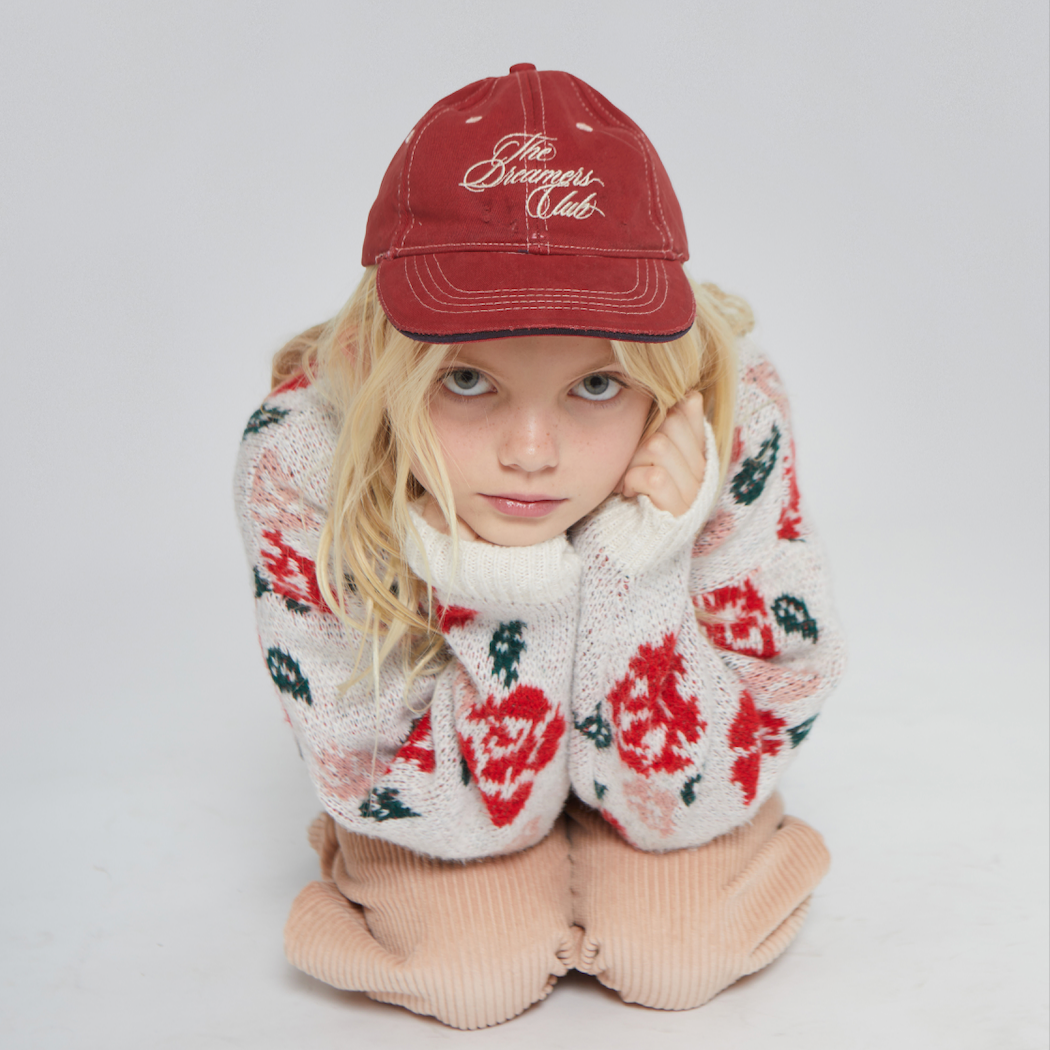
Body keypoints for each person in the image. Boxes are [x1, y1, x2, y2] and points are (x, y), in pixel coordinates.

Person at [234, 63, 846, 1030]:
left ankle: (625, 873)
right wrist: (511, 588)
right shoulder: (306, 454)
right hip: (442, 792)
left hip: (670, 769)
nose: (531, 454)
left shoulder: (730, 420)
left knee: (677, 956)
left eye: (596, 385)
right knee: (471, 977)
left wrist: (642, 565)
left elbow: (708, 779)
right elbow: (393, 784)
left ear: (658, 372)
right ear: (388, 357)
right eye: (468, 380)